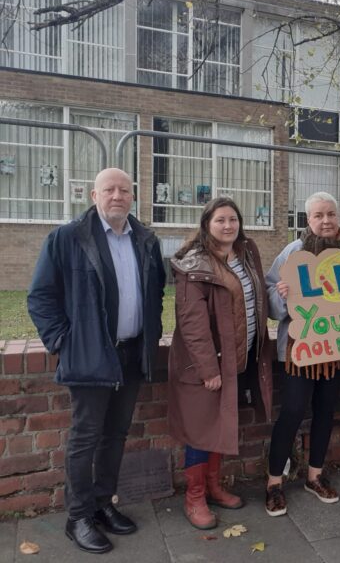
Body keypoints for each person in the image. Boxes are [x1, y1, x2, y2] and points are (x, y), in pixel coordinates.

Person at [28, 168, 165, 554]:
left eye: (124, 189)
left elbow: (155, 293)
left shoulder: (146, 240)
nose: (117, 195)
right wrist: (63, 342)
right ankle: (79, 517)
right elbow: (40, 297)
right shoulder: (67, 238)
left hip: (132, 352)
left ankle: (104, 504)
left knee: (116, 434)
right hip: (89, 355)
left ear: (133, 196)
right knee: (85, 438)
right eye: (109, 189)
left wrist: (150, 337)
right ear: (94, 195)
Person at [167, 197, 273, 530]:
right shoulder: (194, 264)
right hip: (207, 366)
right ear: (206, 225)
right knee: (201, 430)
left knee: (222, 425)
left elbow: (256, 297)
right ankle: (194, 498)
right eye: (220, 220)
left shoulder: (246, 253)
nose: (228, 226)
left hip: (239, 361)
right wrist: (207, 370)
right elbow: (192, 323)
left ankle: (214, 486)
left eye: (232, 220)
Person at [264, 192, 340, 516]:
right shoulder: (293, 251)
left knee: (326, 411)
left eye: (330, 214)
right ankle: (274, 483)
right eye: (318, 215)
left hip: (336, 349)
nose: (325, 220)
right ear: (308, 219)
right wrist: (282, 296)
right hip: (301, 349)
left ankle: (315, 476)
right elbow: (270, 291)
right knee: (293, 412)